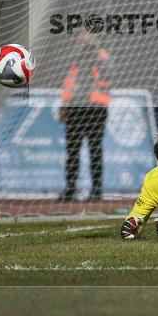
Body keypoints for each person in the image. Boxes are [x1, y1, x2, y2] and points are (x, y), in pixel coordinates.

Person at [58, 31, 111, 202]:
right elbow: (69, 82)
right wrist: (65, 104)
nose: (81, 41)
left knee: (95, 151)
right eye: (80, 39)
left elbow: (106, 77)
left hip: (95, 108)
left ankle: (96, 190)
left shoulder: (102, 56)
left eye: (85, 38)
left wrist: (92, 52)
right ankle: (70, 189)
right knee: (72, 151)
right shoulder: (74, 59)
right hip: (76, 109)